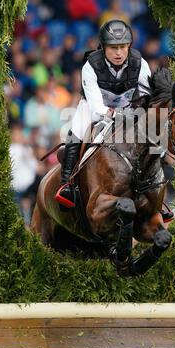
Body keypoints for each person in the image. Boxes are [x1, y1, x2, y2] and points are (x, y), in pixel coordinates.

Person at [55, 19, 151, 209]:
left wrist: (135, 113)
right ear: (103, 47)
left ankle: (155, 193)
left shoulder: (141, 63)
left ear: (129, 46)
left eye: (123, 47)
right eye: (113, 47)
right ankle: (66, 184)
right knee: (76, 131)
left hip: (128, 106)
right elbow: (97, 107)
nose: (118, 53)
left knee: (154, 135)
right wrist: (117, 115)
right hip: (94, 107)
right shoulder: (90, 65)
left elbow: (146, 95)